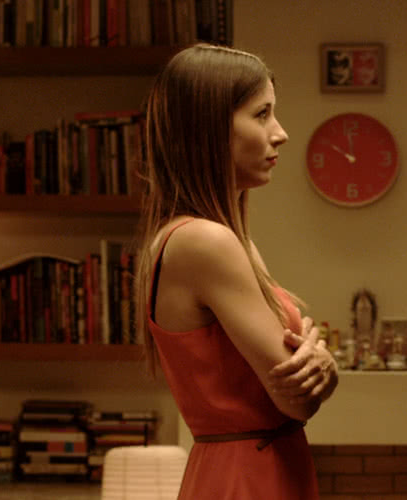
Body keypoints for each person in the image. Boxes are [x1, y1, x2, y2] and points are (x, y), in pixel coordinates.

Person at [132, 43, 338, 499]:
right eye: (262, 114)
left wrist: (323, 367)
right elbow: (297, 399)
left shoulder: (213, 239)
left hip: (251, 465)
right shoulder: (206, 241)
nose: (280, 133)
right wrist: (324, 367)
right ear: (209, 129)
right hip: (248, 475)